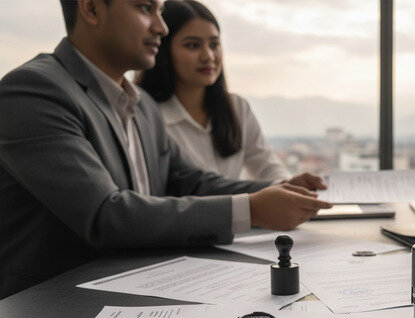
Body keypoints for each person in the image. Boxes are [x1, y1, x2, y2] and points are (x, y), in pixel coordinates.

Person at [0, 0, 332, 298]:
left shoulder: (141, 104)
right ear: (92, 9)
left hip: (141, 293)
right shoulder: (34, 91)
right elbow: (104, 215)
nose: (161, 26)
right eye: (145, 8)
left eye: (160, 11)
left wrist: (279, 190)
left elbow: (190, 181)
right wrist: (252, 209)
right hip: (54, 313)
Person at [137, 0, 324, 189]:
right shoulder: (146, 116)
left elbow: (266, 165)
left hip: (242, 216)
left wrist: (290, 186)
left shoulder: (237, 107)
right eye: (193, 45)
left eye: (214, 44)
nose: (208, 56)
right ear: (164, 51)